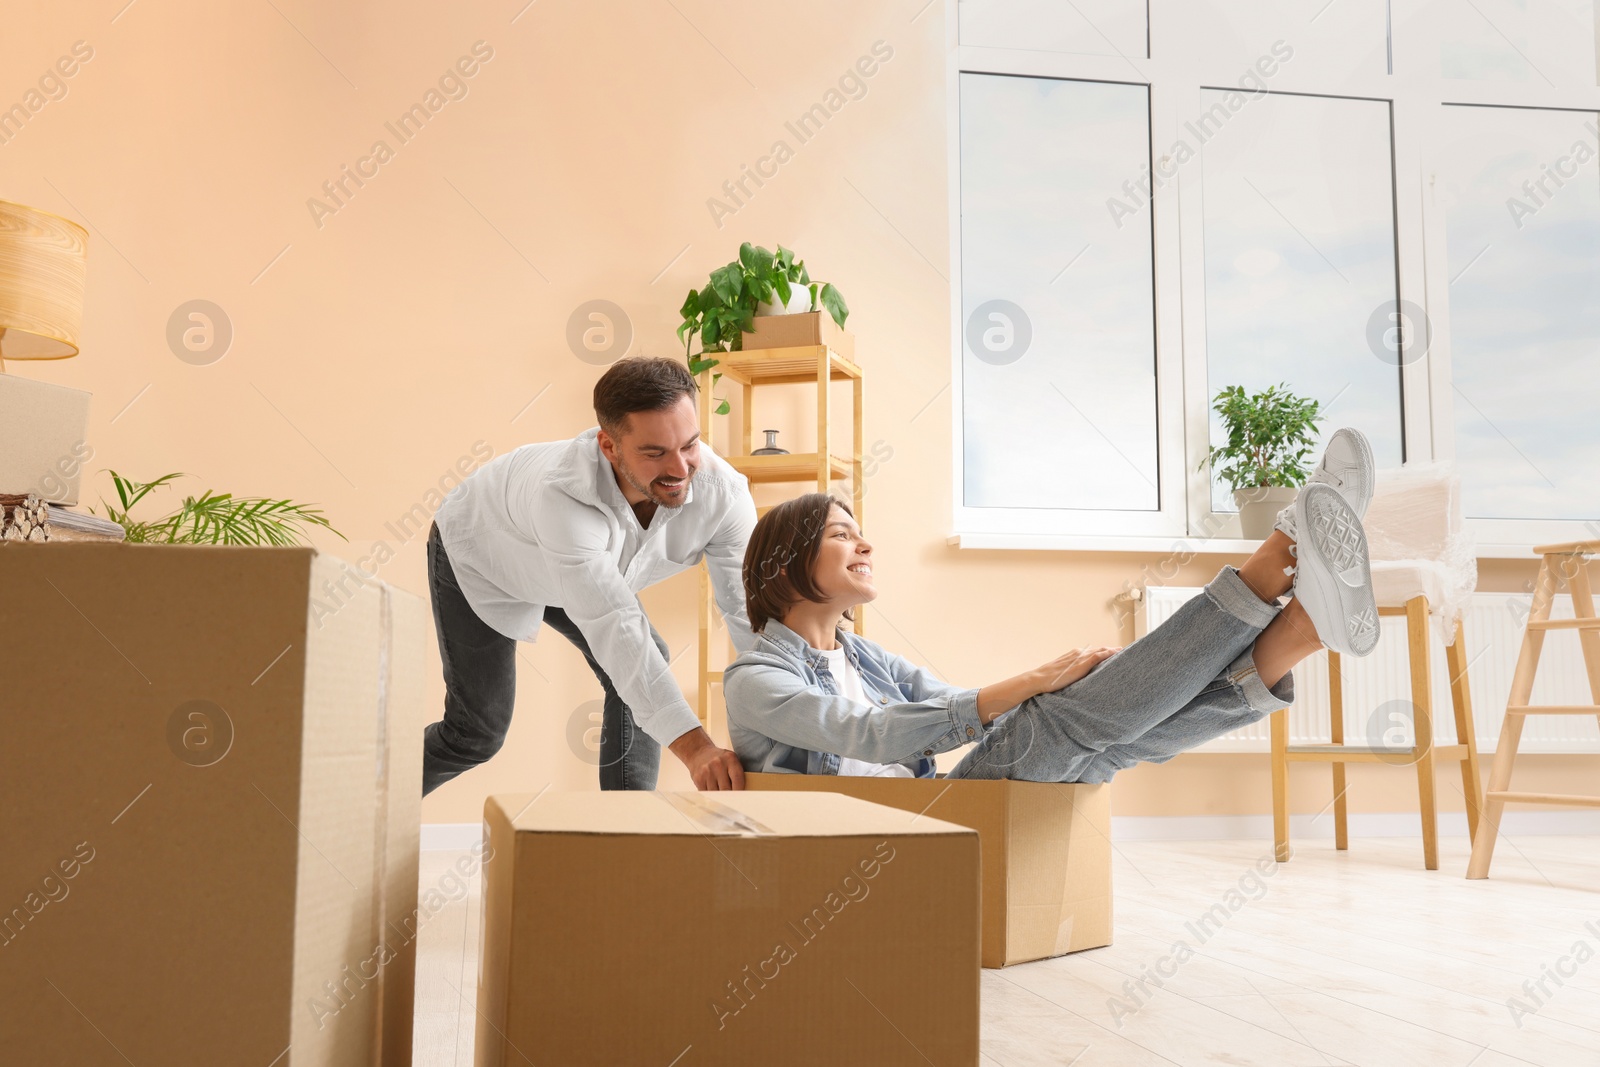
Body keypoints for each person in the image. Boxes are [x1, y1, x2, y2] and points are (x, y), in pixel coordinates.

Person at [723, 429, 1380, 783]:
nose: (866, 542)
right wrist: (1038, 684)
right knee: (1058, 723)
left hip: (928, 818)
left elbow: (960, 703)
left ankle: (1299, 628)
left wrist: (1080, 681)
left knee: (1102, 742)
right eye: (842, 533)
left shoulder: (863, 657)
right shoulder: (756, 681)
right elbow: (865, 734)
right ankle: (1278, 558)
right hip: (894, 837)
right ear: (785, 564)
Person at [423, 356, 755, 794]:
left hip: (576, 566)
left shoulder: (724, 494)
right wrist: (696, 751)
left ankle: (623, 834)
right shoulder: (562, 497)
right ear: (609, 446)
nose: (680, 470)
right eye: (654, 453)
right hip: (483, 551)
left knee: (641, 660)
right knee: (476, 733)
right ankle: (351, 809)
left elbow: (751, 611)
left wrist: (784, 706)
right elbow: (617, 630)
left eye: (690, 444)